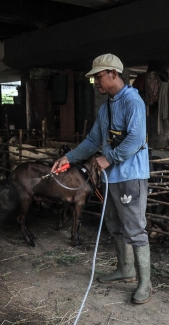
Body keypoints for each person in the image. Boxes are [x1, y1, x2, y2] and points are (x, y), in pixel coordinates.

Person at [51, 53, 151, 304]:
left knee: (135, 229)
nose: (96, 82)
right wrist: (69, 158)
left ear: (114, 74)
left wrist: (111, 157)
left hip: (130, 175)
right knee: (114, 224)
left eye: (99, 77)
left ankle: (145, 284)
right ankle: (125, 269)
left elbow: (136, 139)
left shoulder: (133, 102)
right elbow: (93, 141)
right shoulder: (105, 107)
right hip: (112, 177)